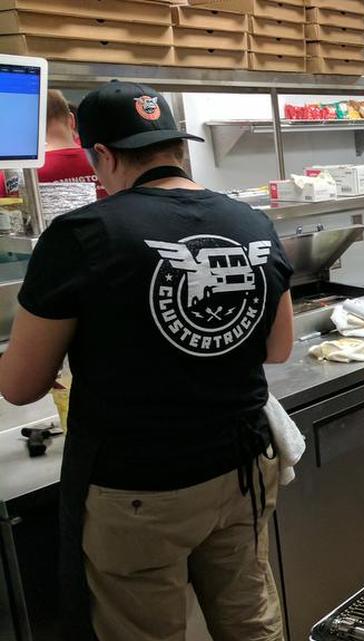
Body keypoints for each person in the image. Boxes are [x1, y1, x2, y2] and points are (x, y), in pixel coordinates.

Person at [0, 81, 294, 641]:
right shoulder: (250, 224)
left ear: (103, 156)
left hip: (139, 488)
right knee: (251, 622)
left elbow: (20, 386)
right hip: (242, 469)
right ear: (176, 149)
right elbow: (277, 349)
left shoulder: (82, 234)